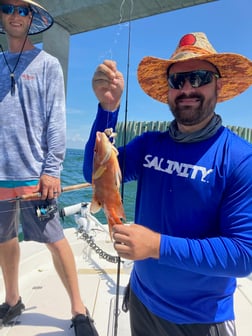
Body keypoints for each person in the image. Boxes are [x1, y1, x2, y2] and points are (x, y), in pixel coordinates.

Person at [83, 32, 252, 336]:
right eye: (178, 81)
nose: (187, 88)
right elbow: (92, 174)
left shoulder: (240, 158)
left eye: (199, 77)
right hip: (143, 302)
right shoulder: (149, 145)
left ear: (219, 85)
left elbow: (243, 254)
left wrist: (156, 246)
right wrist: (107, 109)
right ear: (169, 92)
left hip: (201, 320)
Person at [0, 1, 99, 335]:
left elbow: (56, 121)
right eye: (7, 6)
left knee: (54, 238)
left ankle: (78, 308)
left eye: (23, 9)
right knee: (4, 237)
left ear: (33, 18)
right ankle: (12, 300)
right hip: (0, 177)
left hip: (35, 180)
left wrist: (52, 170)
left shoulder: (48, 64)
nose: (15, 14)